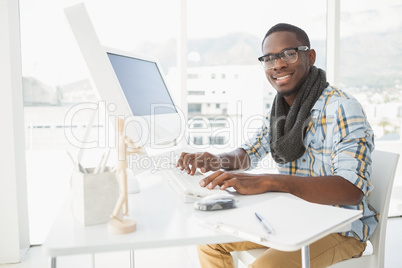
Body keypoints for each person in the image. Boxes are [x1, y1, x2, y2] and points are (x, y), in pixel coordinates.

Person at [176, 23, 377, 268]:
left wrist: (272, 182)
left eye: (288, 54)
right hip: (292, 218)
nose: (278, 64)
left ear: (310, 56)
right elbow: (249, 152)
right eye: (269, 58)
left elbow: (351, 189)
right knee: (209, 241)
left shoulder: (342, 107)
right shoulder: (280, 111)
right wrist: (215, 160)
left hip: (340, 228)